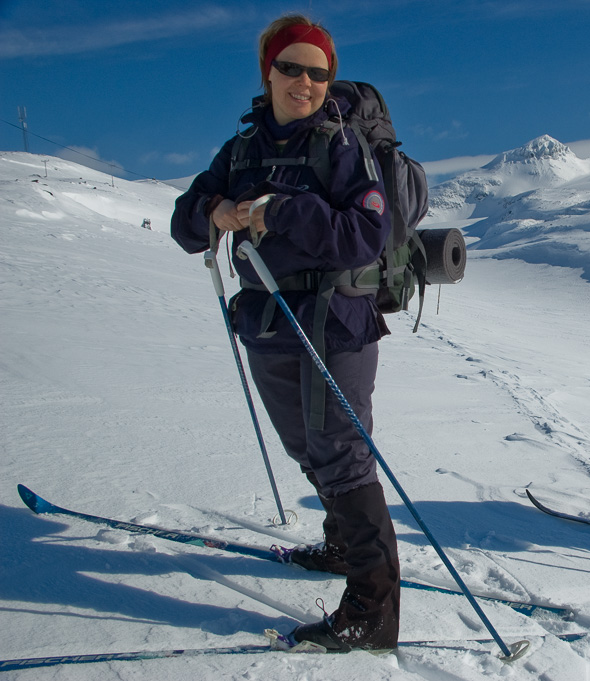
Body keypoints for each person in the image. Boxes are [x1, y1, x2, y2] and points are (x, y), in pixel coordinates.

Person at [170, 14, 400, 652]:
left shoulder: (342, 144)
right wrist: (212, 210)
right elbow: (183, 224)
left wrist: (288, 211)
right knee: (305, 445)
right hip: (268, 320)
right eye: (291, 68)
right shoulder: (240, 151)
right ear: (267, 71)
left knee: (342, 454)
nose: (305, 82)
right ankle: (339, 544)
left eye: (318, 71)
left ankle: (374, 610)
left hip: (337, 321)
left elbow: (366, 234)